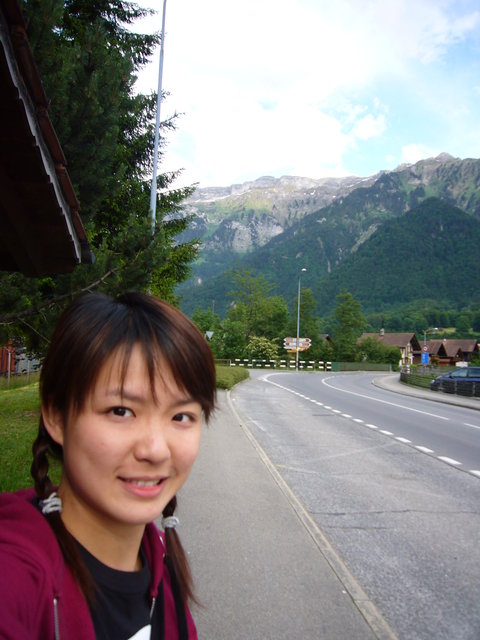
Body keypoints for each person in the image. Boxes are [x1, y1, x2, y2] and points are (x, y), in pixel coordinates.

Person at [0, 291, 216, 639]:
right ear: (56, 415)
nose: (156, 450)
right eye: (121, 411)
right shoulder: (16, 571)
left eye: (181, 416)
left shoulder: (163, 563)